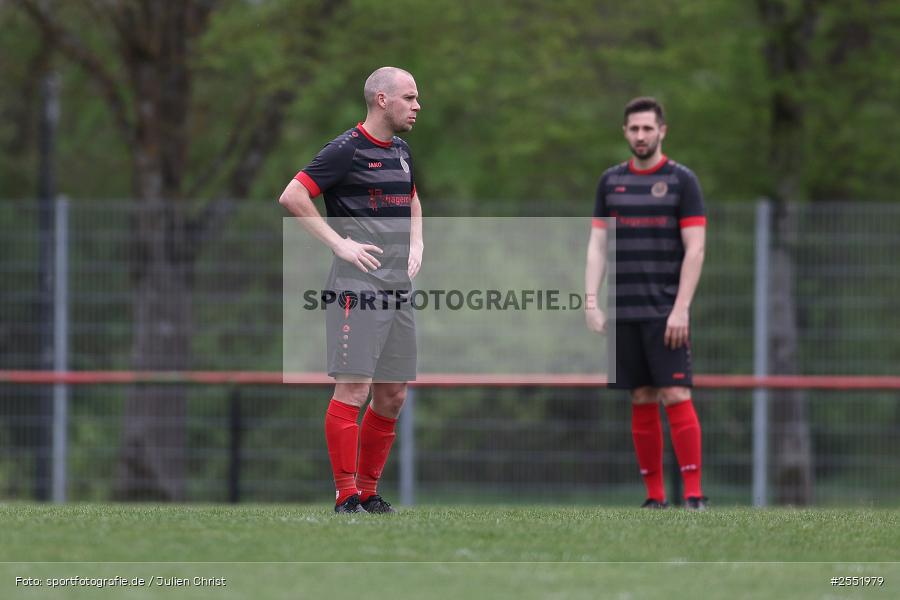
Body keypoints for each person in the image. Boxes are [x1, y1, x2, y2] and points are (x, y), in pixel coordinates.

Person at [278, 67, 423, 513]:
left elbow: (414, 198)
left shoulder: (400, 149)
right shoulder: (345, 149)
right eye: (410, 98)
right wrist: (339, 244)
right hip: (356, 288)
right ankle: (345, 497)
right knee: (354, 391)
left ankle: (369, 491)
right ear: (382, 99)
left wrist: (418, 243)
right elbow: (292, 195)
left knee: (393, 393)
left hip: (398, 288)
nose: (417, 106)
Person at [584, 97, 708, 510]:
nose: (640, 136)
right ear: (625, 132)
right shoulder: (610, 182)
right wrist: (590, 301)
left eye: (647, 129)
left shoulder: (681, 181)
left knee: (674, 393)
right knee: (640, 396)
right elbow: (598, 244)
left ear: (662, 131)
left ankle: (693, 496)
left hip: (666, 312)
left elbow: (696, 249)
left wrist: (681, 308)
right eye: (633, 129)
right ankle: (654, 498)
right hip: (625, 310)